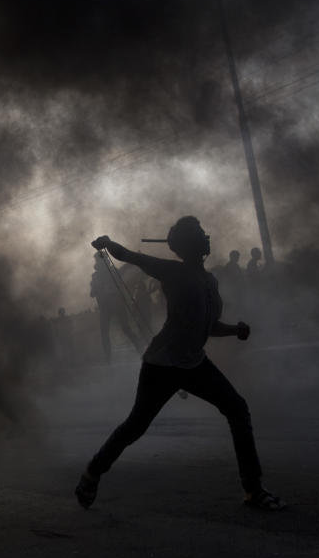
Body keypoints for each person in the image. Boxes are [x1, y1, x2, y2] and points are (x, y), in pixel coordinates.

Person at [74, 217, 284, 511]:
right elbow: (132, 257)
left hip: (194, 363)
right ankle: (92, 472)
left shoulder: (209, 281)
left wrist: (235, 330)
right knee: (136, 425)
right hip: (162, 364)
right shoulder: (173, 272)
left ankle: (253, 489)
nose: (205, 238)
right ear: (189, 244)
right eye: (198, 235)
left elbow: (208, 326)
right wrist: (108, 243)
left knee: (237, 409)